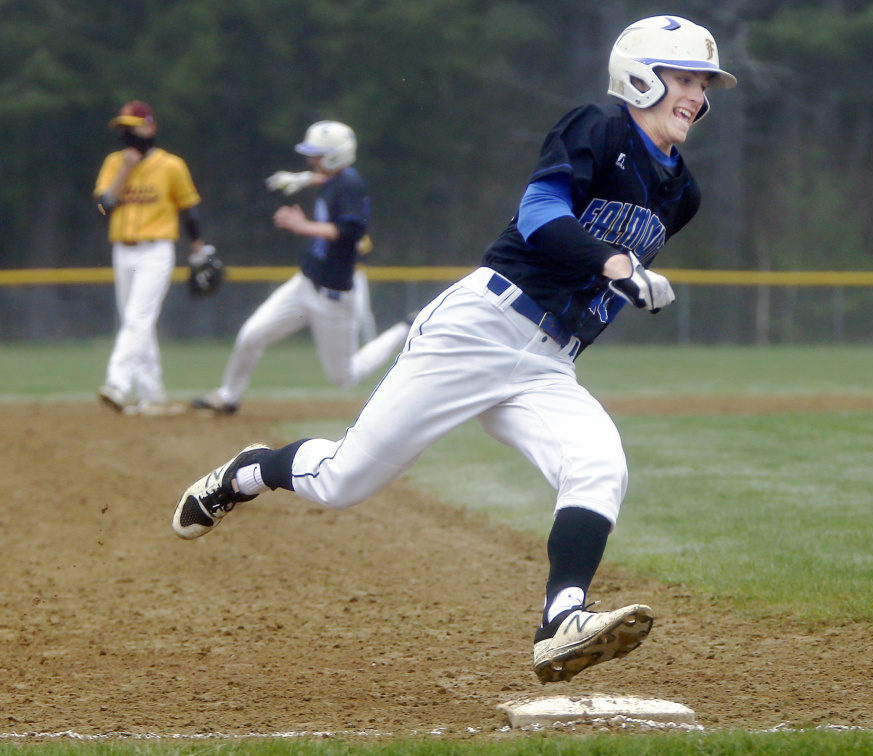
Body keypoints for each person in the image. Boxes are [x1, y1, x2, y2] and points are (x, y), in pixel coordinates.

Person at [173, 16, 736, 683]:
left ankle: (562, 621)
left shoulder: (683, 192)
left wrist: (621, 284)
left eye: (703, 82)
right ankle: (248, 471)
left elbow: (601, 277)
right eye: (684, 77)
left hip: (549, 361)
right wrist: (618, 267)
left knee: (598, 464)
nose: (697, 95)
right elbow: (539, 216)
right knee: (343, 481)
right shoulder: (599, 127)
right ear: (639, 77)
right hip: (480, 327)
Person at [190, 121, 410, 415]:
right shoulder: (337, 179)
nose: (311, 160)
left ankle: (404, 328)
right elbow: (328, 182)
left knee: (344, 378)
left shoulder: (352, 186)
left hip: (333, 297)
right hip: (305, 284)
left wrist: (303, 225)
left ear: (335, 156)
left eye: (317, 155)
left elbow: (350, 232)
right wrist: (304, 178)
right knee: (250, 336)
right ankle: (228, 397)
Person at [95, 100, 210, 416]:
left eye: (133, 127)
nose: (128, 133)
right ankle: (153, 394)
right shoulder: (114, 163)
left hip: (156, 250)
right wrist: (125, 170)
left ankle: (117, 383)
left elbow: (189, 209)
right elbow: (103, 206)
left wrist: (197, 246)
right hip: (123, 250)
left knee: (136, 319)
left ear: (150, 128)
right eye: (124, 129)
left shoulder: (171, 165)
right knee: (138, 323)